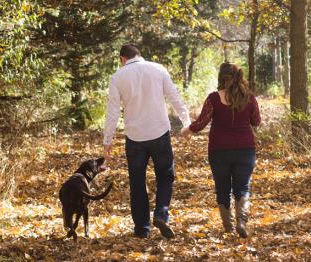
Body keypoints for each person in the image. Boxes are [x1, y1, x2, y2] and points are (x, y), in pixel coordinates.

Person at [103, 44, 190, 239]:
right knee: (165, 176)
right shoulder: (158, 69)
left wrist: (107, 140)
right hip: (159, 132)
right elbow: (174, 97)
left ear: (122, 59)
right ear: (138, 55)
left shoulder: (118, 77)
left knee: (137, 182)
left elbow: (112, 112)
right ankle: (161, 213)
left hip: (134, 138)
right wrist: (187, 122)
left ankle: (142, 229)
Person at [181, 62, 261, 238]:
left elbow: (202, 122)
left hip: (219, 150)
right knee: (242, 187)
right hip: (245, 149)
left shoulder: (214, 98)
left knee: (222, 188)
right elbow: (256, 121)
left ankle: (228, 227)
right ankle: (242, 221)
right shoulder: (249, 97)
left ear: (221, 77)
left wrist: (189, 129)